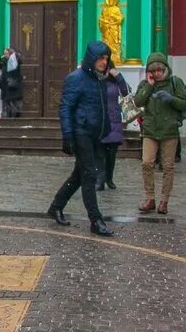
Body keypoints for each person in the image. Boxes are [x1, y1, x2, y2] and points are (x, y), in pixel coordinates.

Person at [47, 41, 115, 237]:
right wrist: (67, 134)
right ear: (92, 58)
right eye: (101, 58)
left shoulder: (100, 78)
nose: (104, 61)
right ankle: (96, 220)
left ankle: (56, 206)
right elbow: (65, 107)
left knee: (79, 175)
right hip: (80, 131)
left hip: (95, 132)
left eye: (106, 58)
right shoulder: (76, 78)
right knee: (90, 174)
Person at [133, 52, 186, 215]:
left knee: (168, 166)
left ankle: (164, 200)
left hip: (169, 130)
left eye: (160, 70)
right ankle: (150, 198)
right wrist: (149, 86)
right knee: (147, 163)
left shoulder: (175, 82)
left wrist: (170, 99)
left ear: (165, 69)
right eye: (154, 70)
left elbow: (184, 104)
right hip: (150, 130)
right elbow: (138, 102)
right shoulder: (145, 83)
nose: (157, 73)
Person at [98, 63, 130, 191]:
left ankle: (109, 178)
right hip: (99, 120)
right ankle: (99, 180)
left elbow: (126, 91)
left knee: (111, 153)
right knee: (99, 152)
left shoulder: (115, 82)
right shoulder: (95, 81)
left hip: (114, 121)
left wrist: (118, 76)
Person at [0, 47, 24, 118]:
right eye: (4, 54)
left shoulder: (15, 62)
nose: (5, 55)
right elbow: (2, 76)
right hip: (6, 88)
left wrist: (16, 55)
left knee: (15, 106)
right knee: (7, 107)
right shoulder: (3, 62)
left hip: (14, 87)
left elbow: (20, 62)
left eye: (6, 53)